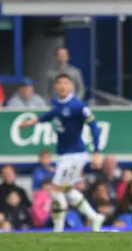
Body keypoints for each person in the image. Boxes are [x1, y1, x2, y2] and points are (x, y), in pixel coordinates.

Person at [18, 74, 104, 232]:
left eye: (66, 83)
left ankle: (58, 227)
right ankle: (94, 217)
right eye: (59, 83)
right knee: (68, 190)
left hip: (75, 155)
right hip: (64, 154)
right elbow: (52, 114)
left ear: (71, 86)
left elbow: (94, 126)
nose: (62, 86)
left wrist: (97, 152)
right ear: (55, 86)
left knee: (56, 190)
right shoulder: (56, 102)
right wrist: (34, 121)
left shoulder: (78, 106)